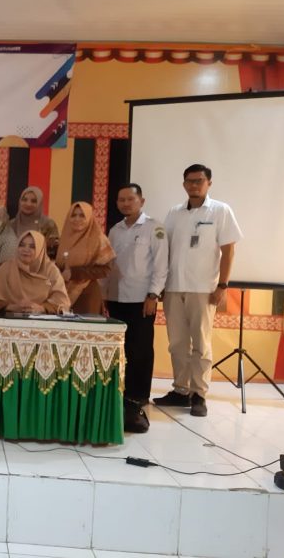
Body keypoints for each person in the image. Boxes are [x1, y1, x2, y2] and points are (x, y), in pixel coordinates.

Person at [154, 164, 242, 417]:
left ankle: (199, 394)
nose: (194, 185)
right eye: (189, 181)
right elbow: (165, 249)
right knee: (177, 344)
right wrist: (161, 285)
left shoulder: (220, 210)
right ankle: (181, 390)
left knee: (201, 345)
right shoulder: (174, 213)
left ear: (208, 183)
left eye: (199, 181)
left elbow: (229, 250)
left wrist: (223, 285)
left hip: (203, 289)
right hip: (173, 288)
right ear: (184, 184)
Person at [103, 184, 169, 433]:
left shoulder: (154, 227)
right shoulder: (115, 230)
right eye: (121, 200)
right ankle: (121, 393)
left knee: (140, 349)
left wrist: (153, 294)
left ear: (141, 201)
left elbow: (161, 265)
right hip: (116, 297)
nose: (125, 203)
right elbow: (108, 266)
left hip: (142, 299)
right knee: (120, 350)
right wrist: (103, 295)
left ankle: (139, 396)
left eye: (130, 199)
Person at [0, 231, 69, 314]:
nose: (26, 249)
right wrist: (12, 307)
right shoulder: (6, 268)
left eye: (32, 246)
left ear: (40, 250)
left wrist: (41, 308)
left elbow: (62, 304)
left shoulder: (51, 271)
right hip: (9, 320)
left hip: (42, 321)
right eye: (22, 245)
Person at [56, 201, 115, 314]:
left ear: (89, 217)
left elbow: (106, 269)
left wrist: (74, 273)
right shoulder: (64, 238)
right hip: (63, 293)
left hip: (87, 294)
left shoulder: (98, 239)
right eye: (73, 215)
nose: (77, 219)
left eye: (82, 215)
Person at [8, 186, 59, 258]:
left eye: (34, 201)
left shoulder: (48, 224)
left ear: (39, 203)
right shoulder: (12, 224)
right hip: (14, 263)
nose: (28, 204)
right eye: (24, 200)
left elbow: (53, 251)